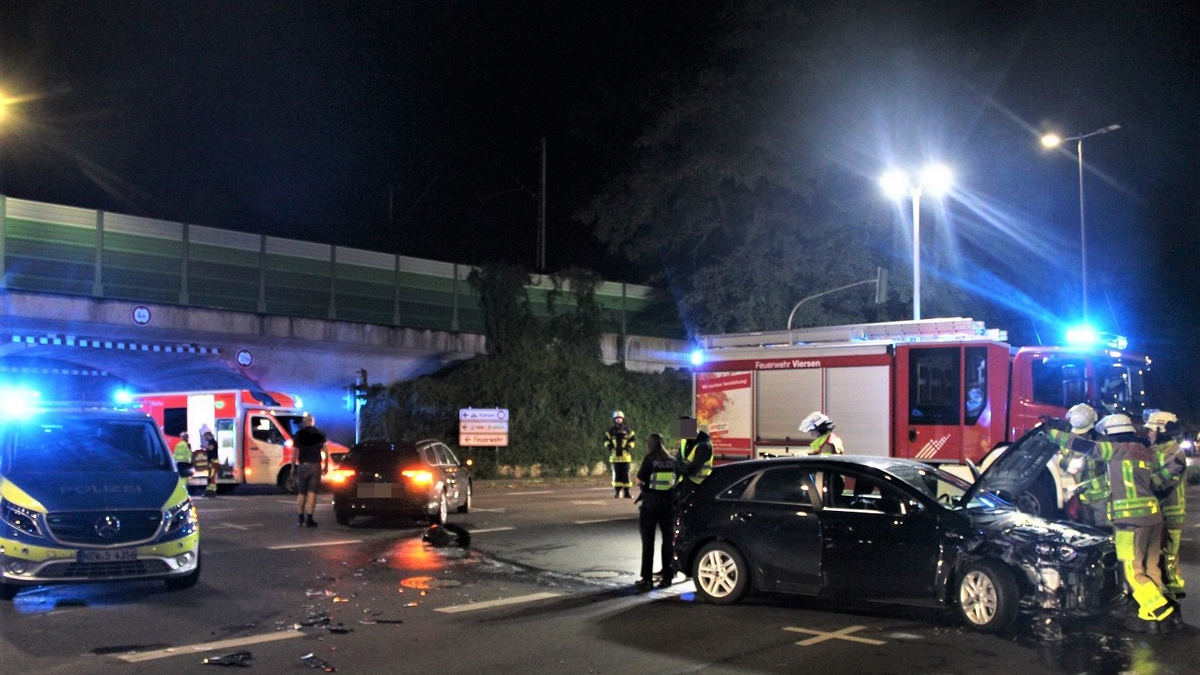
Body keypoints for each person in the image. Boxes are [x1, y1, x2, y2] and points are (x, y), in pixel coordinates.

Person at [1047, 413, 1178, 632]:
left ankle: (1161, 611)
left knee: (1133, 572)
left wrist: (1051, 433)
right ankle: (1148, 615)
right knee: (1151, 567)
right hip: (1154, 519)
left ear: (1110, 434)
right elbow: (1158, 481)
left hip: (1129, 522)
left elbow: (1080, 444)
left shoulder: (1115, 450)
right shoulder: (1146, 452)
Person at [1144, 410, 1187, 602]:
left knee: (1169, 553)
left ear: (1162, 430)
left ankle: (1174, 591)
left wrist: (1142, 484)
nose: (1149, 434)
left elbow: (1163, 481)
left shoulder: (1175, 453)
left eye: (1152, 430)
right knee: (1155, 552)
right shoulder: (1154, 451)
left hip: (1172, 510)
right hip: (1157, 511)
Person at [634, 433, 678, 592]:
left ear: (650, 445)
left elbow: (639, 480)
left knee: (648, 542)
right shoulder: (673, 460)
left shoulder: (649, 459)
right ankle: (667, 577)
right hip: (669, 505)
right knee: (668, 541)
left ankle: (647, 580)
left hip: (651, 504)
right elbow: (677, 480)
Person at [1055, 403, 1110, 527]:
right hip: (1083, 496)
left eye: (1083, 433)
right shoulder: (1069, 440)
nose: (1080, 435)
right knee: (1087, 529)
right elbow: (1061, 456)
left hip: (1102, 496)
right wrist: (1066, 464)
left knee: (1102, 529)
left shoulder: (1101, 441)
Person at [292, 414, 328, 527]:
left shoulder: (299, 434)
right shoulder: (320, 434)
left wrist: (293, 466)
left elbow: (294, 452)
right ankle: (310, 518)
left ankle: (300, 518)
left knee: (301, 492)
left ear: (304, 422)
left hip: (303, 465)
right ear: (313, 421)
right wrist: (325, 465)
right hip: (315, 466)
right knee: (312, 492)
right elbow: (326, 451)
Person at [676, 420, 713, 500]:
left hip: (699, 485)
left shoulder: (704, 446)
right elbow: (678, 459)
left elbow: (694, 469)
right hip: (686, 482)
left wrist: (680, 468)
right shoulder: (685, 441)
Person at [604, 410, 637, 499]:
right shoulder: (611, 431)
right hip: (614, 457)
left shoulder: (627, 430)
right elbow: (606, 440)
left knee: (626, 475)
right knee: (616, 475)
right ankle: (618, 492)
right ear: (614, 419)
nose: (619, 420)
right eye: (617, 418)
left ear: (623, 419)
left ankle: (627, 492)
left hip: (625, 457)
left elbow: (633, 440)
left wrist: (629, 447)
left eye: (620, 418)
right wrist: (610, 447)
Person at [202, 430, 219, 498]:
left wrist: (204, 447)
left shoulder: (212, 441)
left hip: (214, 462)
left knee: (211, 477)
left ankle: (212, 492)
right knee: (210, 477)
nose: (205, 438)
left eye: (205, 437)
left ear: (208, 435)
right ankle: (209, 491)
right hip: (212, 462)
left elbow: (211, 448)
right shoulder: (211, 441)